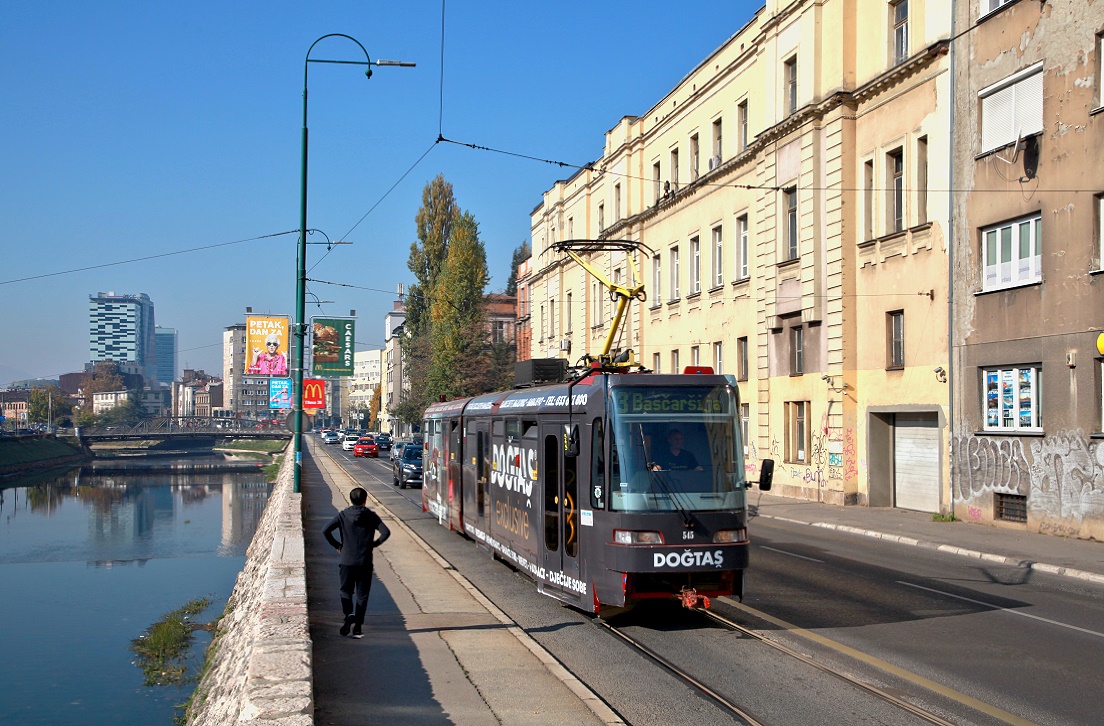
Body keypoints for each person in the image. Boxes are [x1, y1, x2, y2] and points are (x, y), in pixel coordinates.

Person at [322, 487, 391, 638]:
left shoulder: (343, 515)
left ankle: (348, 615)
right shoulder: (371, 516)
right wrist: (373, 544)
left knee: (345, 591)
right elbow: (386, 532)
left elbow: (325, 530)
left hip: (347, 560)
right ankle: (358, 626)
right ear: (365, 500)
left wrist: (338, 546)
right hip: (364, 561)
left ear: (350, 499)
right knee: (362, 594)